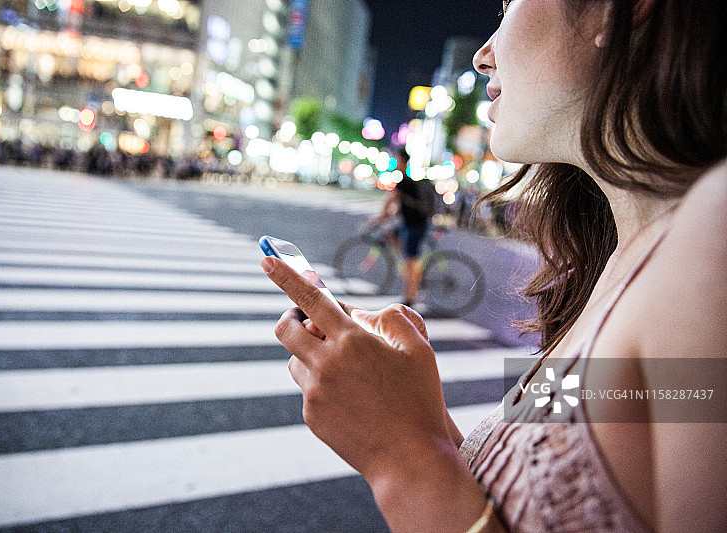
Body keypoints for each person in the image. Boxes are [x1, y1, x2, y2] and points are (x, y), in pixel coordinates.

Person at [261, 0, 726, 531]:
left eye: (510, 5)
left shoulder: (713, 234)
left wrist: (400, 458)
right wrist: (419, 421)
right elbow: (533, 490)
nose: (483, 56)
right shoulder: (618, 260)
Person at [372, 146, 435, 307]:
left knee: (410, 261)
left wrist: (380, 217)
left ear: (402, 161)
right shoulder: (407, 181)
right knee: (393, 235)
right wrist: (388, 216)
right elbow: (401, 206)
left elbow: (390, 200)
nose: (394, 162)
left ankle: (410, 298)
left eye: (396, 159)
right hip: (412, 224)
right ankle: (413, 278)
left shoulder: (404, 182)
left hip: (415, 226)